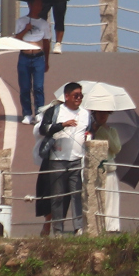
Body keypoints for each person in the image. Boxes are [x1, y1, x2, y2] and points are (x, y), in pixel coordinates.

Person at [35, 81, 91, 236]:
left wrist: (88, 138)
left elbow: (89, 131)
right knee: (58, 197)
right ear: (67, 96)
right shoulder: (55, 111)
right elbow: (43, 129)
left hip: (76, 160)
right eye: (75, 95)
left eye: (81, 95)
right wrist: (62, 125)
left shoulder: (86, 114)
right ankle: (58, 230)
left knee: (77, 194)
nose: (78, 98)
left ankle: (78, 228)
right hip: (57, 160)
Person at [13, 0, 54, 124]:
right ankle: (27, 113)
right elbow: (15, 39)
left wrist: (47, 60)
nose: (39, 8)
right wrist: (26, 29)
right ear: (30, 5)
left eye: (41, 5)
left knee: (38, 87)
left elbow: (46, 43)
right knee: (25, 87)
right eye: (37, 4)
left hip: (38, 58)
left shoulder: (44, 23)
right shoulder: (21, 21)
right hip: (24, 57)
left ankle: (39, 112)